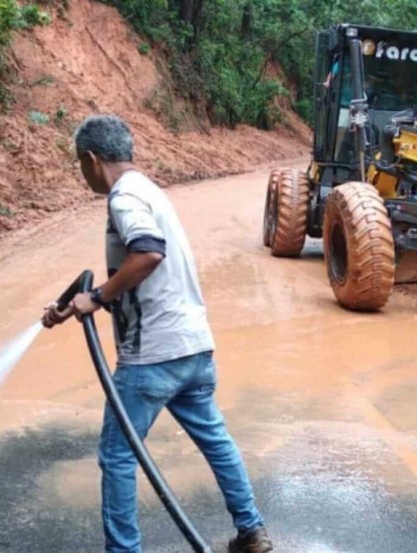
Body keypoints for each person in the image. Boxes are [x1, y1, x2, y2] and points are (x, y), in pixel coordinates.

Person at [42, 114, 273, 553]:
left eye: (80, 163)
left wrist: (99, 297)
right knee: (216, 440)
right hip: (195, 348)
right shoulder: (150, 190)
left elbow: (148, 253)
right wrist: (71, 303)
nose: (82, 172)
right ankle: (252, 531)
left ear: (92, 160)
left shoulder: (124, 198)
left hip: (152, 356)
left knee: (117, 456)